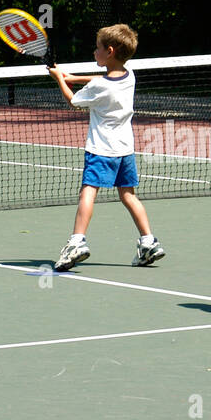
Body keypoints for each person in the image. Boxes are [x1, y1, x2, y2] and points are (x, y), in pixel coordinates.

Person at [48, 24, 165, 271]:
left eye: (98, 48)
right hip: (125, 150)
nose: (94, 51)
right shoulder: (129, 75)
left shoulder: (99, 87)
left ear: (109, 51)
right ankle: (148, 242)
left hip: (101, 150)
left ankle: (77, 242)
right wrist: (72, 76)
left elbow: (73, 100)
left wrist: (60, 79)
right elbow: (103, 80)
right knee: (128, 195)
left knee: (88, 192)